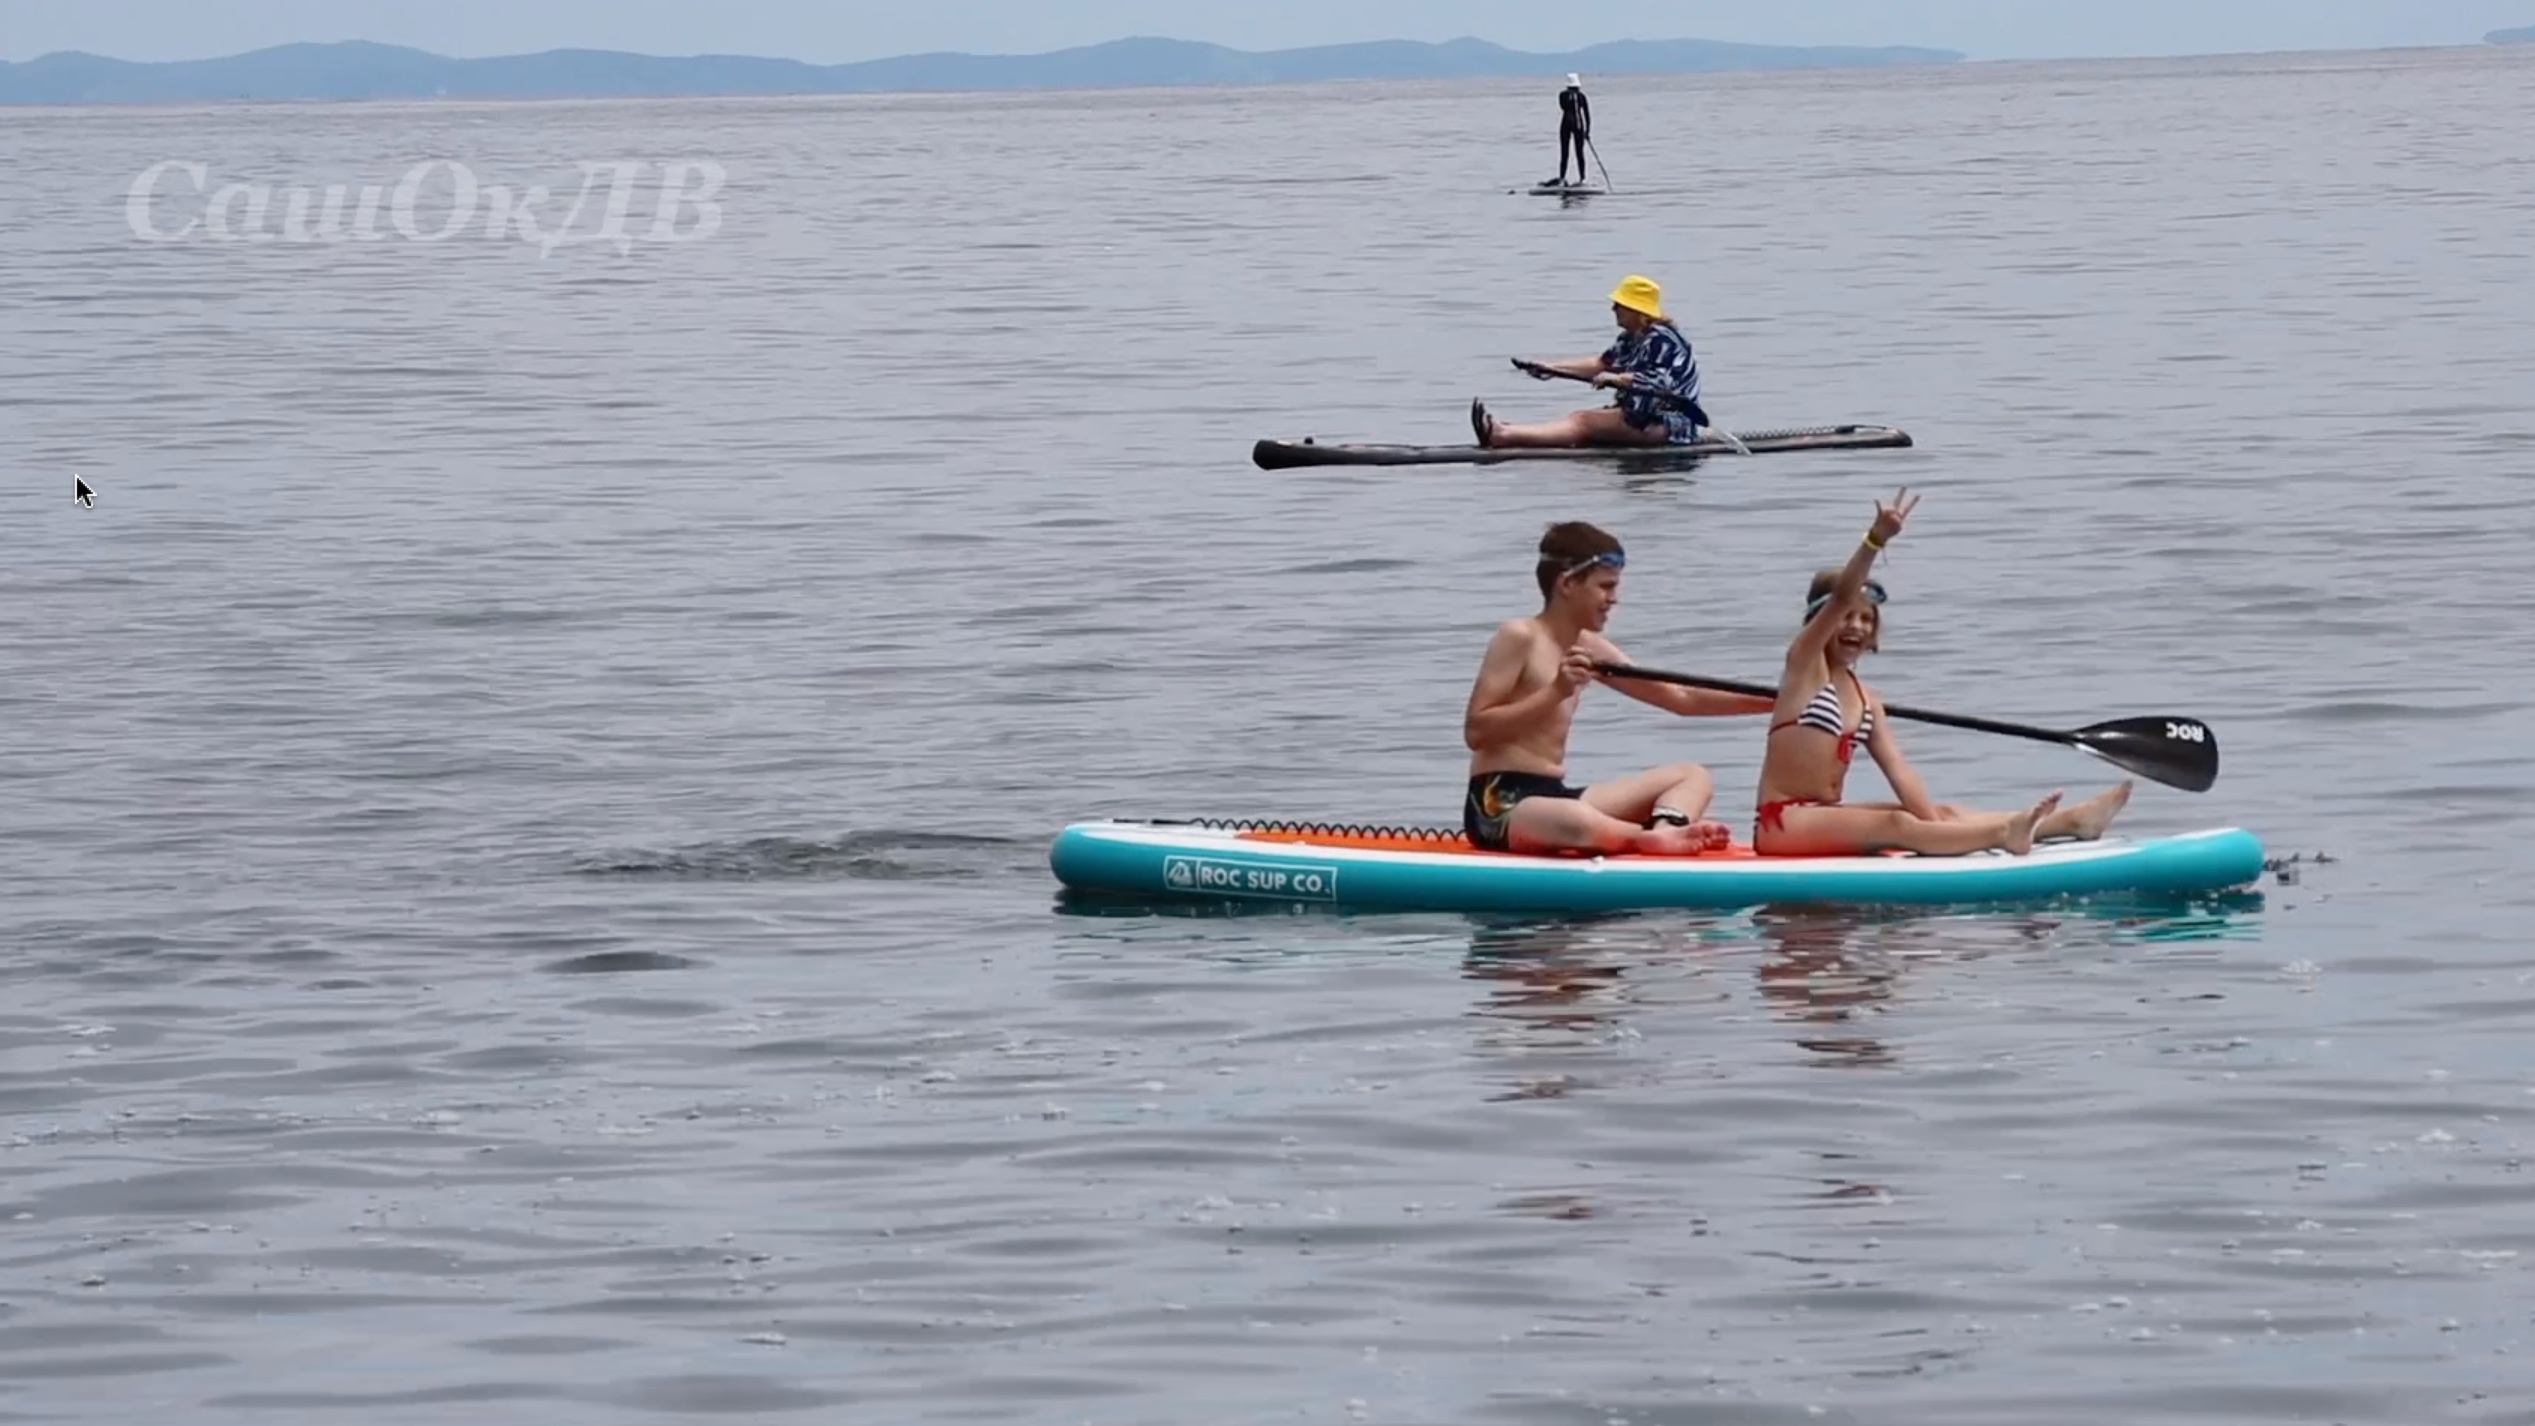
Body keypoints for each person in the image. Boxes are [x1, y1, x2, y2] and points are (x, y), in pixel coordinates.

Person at [1750, 488, 2136, 857]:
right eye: (1846, 618)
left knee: (1943, 812)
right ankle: (2004, 834)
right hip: (1782, 822)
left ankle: (2071, 822)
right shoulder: (1804, 663)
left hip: (1824, 816)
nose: (1856, 626)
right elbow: (1838, 597)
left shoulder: (1868, 700)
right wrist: (1875, 541)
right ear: (1820, 620)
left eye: (1866, 619)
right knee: (1896, 824)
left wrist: (1938, 830)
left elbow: (1900, 773)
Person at [1462, 520, 1774, 857]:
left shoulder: (1590, 648)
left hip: (1554, 794)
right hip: (1497, 805)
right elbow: (1477, 732)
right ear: (1567, 583)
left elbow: (1681, 698)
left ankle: (1663, 833)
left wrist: (1783, 702)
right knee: (1575, 818)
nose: (1614, 599)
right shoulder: (1519, 636)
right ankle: (1643, 838)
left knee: (1691, 776)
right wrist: (1556, 691)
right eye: (1605, 587)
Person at [1472, 275, 1715, 449]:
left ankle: (1502, 435)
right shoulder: (1630, 338)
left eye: (1619, 305)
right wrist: (1552, 368)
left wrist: (1617, 378)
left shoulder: (1662, 340)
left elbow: (1659, 382)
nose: (1613, 309)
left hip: (1672, 424)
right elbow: (1601, 363)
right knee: (1585, 421)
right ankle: (1512, 431)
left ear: (1635, 309)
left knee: (1583, 421)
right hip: (1642, 416)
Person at [1555, 73, 1592, 186]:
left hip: (1565, 124)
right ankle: (1582, 178)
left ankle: (1562, 178)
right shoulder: (1582, 97)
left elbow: (1562, 107)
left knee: (1564, 153)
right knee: (1579, 153)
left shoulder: (1562, 95)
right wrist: (1587, 131)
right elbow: (1587, 115)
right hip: (1578, 125)